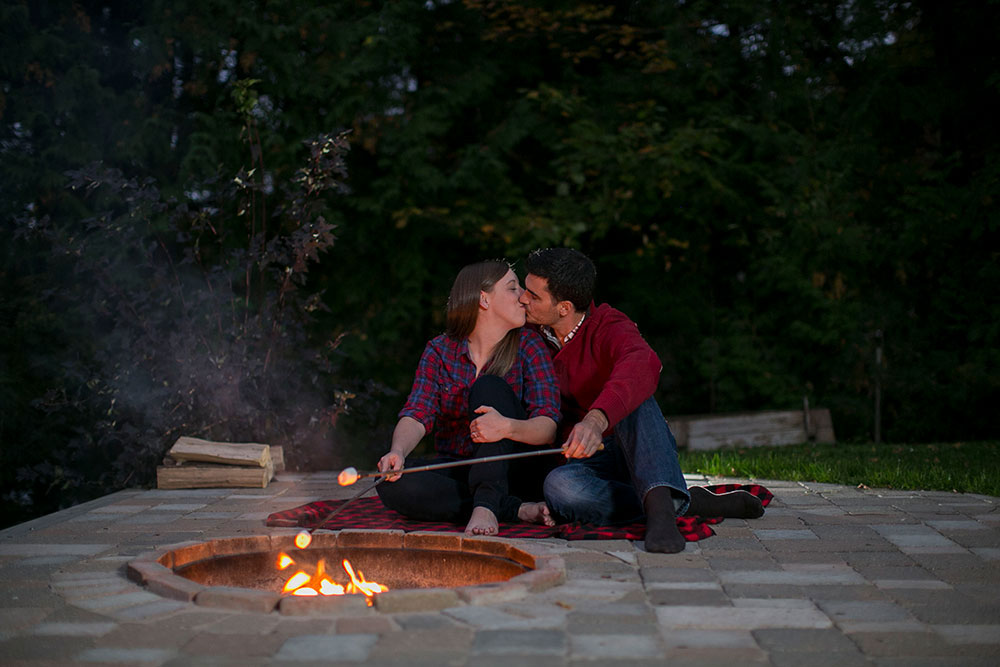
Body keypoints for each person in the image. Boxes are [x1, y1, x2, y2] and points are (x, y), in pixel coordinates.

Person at [518, 248, 763, 553]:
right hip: (585, 462)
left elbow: (643, 361)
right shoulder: (527, 332)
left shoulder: (608, 324)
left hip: (637, 448)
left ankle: (662, 514)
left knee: (636, 397)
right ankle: (679, 501)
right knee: (559, 488)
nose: (522, 299)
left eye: (533, 295)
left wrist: (596, 418)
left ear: (564, 307)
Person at [375, 260, 562, 536]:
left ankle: (487, 503)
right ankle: (514, 509)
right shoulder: (440, 350)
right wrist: (397, 452)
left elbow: (548, 429)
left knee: (488, 387)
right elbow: (417, 413)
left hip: (515, 471)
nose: (523, 297)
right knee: (390, 482)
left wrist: (506, 427)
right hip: (463, 468)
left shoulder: (530, 346)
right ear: (483, 299)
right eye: (513, 288)